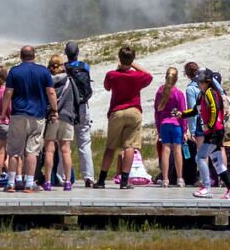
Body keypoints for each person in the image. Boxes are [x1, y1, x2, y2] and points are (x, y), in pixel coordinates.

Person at [0, 45, 57, 193]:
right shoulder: (43, 71)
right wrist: (55, 109)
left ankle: (11, 183)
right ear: (34, 55)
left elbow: (8, 92)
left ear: (21, 56)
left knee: (14, 150)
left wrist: (3, 111)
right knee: (32, 151)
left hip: (18, 114)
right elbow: (50, 92)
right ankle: (29, 183)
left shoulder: (14, 71)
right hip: (37, 115)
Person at [96, 46, 152, 190]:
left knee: (111, 147)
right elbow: (149, 75)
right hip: (134, 111)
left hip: (117, 112)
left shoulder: (112, 75)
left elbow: (106, 87)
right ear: (132, 59)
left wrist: (119, 68)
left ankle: (101, 180)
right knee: (130, 146)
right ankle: (125, 181)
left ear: (119, 58)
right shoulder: (137, 76)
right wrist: (132, 64)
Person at [178, 68, 230, 199]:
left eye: (201, 82)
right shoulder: (201, 95)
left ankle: (206, 187)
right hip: (211, 132)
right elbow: (195, 110)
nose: (199, 84)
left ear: (208, 82)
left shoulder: (211, 93)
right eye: (198, 82)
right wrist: (182, 114)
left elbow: (214, 109)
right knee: (218, 163)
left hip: (215, 132)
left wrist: (209, 125)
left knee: (200, 157)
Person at [42, 54, 78, 191]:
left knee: (49, 151)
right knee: (66, 151)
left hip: (52, 117)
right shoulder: (69, 81)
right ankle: (67, 181)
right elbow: (76, 98)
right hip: (67, 117)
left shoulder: (47, 81)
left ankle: (47, 181)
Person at [64, 42, 96, 187]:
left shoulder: (63, 68)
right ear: (78, 52)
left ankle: (61, 177)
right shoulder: (85, 67)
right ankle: (88, 177)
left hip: (67, 108)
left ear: (66, 53)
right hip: (83, 106)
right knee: (84, 143)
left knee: (64, 144)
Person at [154, 66, 186, 187]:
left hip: (164, 124)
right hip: (176, 124)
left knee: (165, 150)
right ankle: (179, 178)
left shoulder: (159, 92)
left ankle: (165, 178)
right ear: (176, 79)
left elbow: (156, 111)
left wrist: (158, 128)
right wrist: (184, 129)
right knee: (178, 151)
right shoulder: (178, 93)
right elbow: (182, 113)